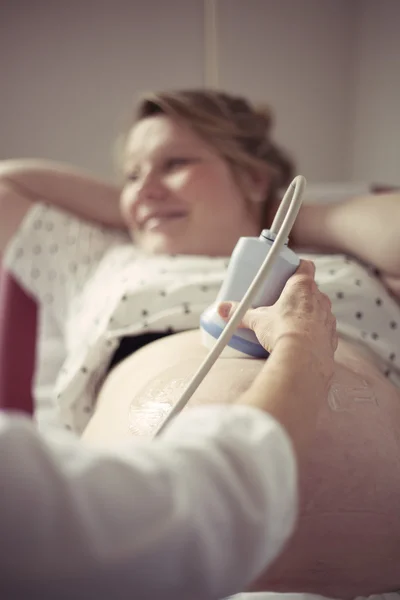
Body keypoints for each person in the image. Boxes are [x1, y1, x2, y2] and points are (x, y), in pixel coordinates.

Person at [1, 89, 400, 597]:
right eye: (131, 173)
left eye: (175, 163)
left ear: (254, 176)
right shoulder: (104, 264)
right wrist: (142, 204)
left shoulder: (343, 260)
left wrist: (289, 218)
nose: (144, 187)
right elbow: (4, 182)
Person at [0, 261, 336, 598]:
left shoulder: (332, 272)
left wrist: (301, 218)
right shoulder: (109, 265)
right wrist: (301, 347)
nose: (148, 202)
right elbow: (203, 511)